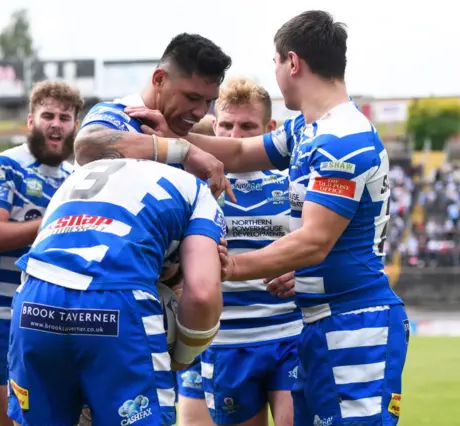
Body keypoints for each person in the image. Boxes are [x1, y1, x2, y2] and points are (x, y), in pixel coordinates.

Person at [128, 10, 409, 426]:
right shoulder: (307, 130)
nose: (274, 72)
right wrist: (173, 138)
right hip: (318, 322)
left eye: (275, 62)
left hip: (354, 324)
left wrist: (233, 267)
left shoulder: (341, 138)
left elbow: (315, 240)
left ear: (292, 63)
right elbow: (240, 153)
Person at [7, 157, 226, 426]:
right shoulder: (197, 188)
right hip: (117, 300)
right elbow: (203, 294)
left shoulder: (81, 173)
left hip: (34, 298)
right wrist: (182, 357)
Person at [177, 77, 301, 426]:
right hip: (226, 341)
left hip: (288, 334)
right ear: (213, 125)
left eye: (248, 127)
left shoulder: (291, 183)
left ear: (270, 129)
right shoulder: (192, 187)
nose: (234, 137)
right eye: (227, 125)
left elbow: (320, 244)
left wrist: (302, 272)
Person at [0, 80, 83, 426]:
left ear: (75, 125)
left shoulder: (77, 176)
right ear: (31, 120)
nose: (56, 123)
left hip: (54, 321)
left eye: (65, 117)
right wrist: (55, 222)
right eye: (47, 115)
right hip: (1, 319)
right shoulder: (5, 165)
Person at [74, 32, 235, 201]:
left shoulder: (177, 136)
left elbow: (242, 151)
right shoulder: (120, 115)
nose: (200, 113)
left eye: (209, 101)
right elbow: (86, 145)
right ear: (159, 79)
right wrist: (184, 152)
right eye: (192, 98)